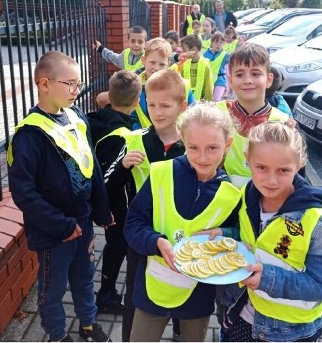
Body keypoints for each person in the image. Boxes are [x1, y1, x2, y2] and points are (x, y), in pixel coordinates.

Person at [8, 50, 113, 342]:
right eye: (70, 84)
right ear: (43, 84)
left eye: (78, 84)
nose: (76, 91)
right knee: (51, 289)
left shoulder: (75, 115)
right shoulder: (29, 135)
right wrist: (62, 225)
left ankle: (88, 324)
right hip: (56, 231)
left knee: (84, 277)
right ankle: (56, 334)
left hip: (84, 220)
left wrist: (101, 211)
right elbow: (24, 193)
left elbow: (91, 165)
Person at [124, 102, 242, 342]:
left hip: (197, 294)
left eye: (212, 148)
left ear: (227, 145)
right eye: (193, 147)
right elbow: (133, 223)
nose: (202, 157)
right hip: (153, 288)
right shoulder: (161, 173)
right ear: (182, 142)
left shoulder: (231, 193)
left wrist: (225, 232)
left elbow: (239, 234)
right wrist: (155, 241)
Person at [219, 122, 322, 342]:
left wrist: (267, 279)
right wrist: (224, 234)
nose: (271, 180)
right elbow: (254, 239)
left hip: (288, 332)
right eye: (261, 168)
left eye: (283, 170)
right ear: (247, 159)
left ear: (299, 163)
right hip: (241, 314)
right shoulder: (249, 194)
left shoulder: (315, 222)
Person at [105, 69, 188, 341]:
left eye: (165, 105)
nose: (157, 111)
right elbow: (106, 185)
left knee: (182, 290)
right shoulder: (133, 140)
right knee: (135, 294)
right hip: (140, 236)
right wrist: (122, 167)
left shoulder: (191, 146)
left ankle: (178, 331)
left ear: (182, 106)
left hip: (182, 237)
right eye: (151, 104)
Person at [86, 70, 142, 316]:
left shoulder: (97, 118)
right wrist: (105, 209)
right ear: (137, 101)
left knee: (114, 244)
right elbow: (110, 177)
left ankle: (106, 292)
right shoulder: (122, 136)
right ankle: (106, 294)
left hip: (98, 197)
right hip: (114, 203)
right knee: (117, 245)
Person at [217, 43, 291, 188]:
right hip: (220, 200)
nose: (248, 80)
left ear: (269, 79)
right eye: (239, 74)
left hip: (264, 202)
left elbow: (293, 175)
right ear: (230, 80)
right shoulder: (216, 115)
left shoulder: (283, 123)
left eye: (255, 74)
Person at [173, 34, 214, 102]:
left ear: (194, 49)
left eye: (185, 50)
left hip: (201, 105)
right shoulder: (184, 65)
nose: (183, 53)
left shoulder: (206, 65)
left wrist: (209, 104)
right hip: (186, 104)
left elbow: (208, 87)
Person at [203, 32, 230, 102]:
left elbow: (234, 62)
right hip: (207, 81)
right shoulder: (205, 54)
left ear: (223, 44)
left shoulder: (226, 55)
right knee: (208, 101)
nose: (218, 44)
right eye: (216, 42)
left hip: (220, 81)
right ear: (212, 43)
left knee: (215, 101)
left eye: (221, 42)